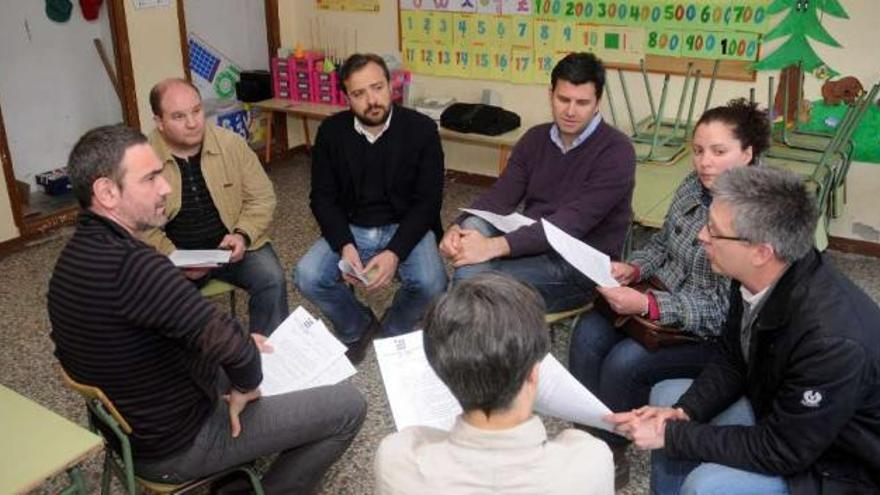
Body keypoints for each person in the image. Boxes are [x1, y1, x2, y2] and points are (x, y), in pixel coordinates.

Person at [49, 125, 366, 494]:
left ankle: (235, 473)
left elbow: (150, 334)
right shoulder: (139, 268)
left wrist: (235, 344)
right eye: (151, 178)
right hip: (177, 447)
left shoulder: (70, 261)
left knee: (247, 351)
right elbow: (235, 351)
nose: (166, 187)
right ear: (106, 192)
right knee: (348, 405)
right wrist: (246, 382)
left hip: (132, 433)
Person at [610, 166, 880, 495]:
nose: (701, 236)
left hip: (838, 464)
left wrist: (672, 434)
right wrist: (684, 412)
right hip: (782, 415)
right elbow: (733, 356)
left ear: (761, 251)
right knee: (668, 399)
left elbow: (782, 449)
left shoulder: (833, 341)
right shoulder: (757, 275)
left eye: (714, 230)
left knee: (705, 485)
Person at [568, 99, 771, 484]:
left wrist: (647, 303)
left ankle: (611, 450)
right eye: (697, 151)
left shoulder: (757, 213)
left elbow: (722, 312)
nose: (704, 162)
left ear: (748, 154)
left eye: (718, 151)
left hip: (713, 334)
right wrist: (635, 268)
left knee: (625, 362)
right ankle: (586, 434)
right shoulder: (695, 184)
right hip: (662, 301)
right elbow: (663, 243)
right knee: (588, 332)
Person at [375, 273, 613, 494]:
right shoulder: (592, 461)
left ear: (441, 372)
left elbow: (415, 437)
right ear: (534, 374)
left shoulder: (395, 460)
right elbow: (576, 441)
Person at [439, 52, 636, 312]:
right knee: (474, 225)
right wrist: (456, 228)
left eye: (582, 103)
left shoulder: (617, 151)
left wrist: (493, 247)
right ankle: (473, 335)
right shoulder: (535, 139)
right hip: (532, 240)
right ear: (550, 95)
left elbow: (569, 225)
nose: (570, 111)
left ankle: (461, 341)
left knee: (473, 278)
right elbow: (500, 197)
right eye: (563, 99)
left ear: (598, 102)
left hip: (577, 265)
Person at [294, 53, 447, 364]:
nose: (371, 100)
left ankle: (395, 326)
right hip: (353, 226)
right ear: (346, 97)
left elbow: (428, 202)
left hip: (406, 224)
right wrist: (344, 245)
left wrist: (395, 252)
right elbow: (322, 197)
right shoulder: (331, 133)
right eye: (359, 93)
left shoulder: (421, 130)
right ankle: (357, 326)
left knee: (433, 283)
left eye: (377, 88)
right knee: (306, 275)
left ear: (391, 86)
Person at [144, 78, 288, 335]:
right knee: (159, 305)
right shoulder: (142, 159)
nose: (192, 123)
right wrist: (174, 258)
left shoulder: (231, 144)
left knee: (271, 279)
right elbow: (139, 227)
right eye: (178, 116)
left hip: (233, 245)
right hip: (173, 256)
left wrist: (243, 235)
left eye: (197, 111)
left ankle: (271, 361)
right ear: (159, 122)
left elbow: (262, 197)